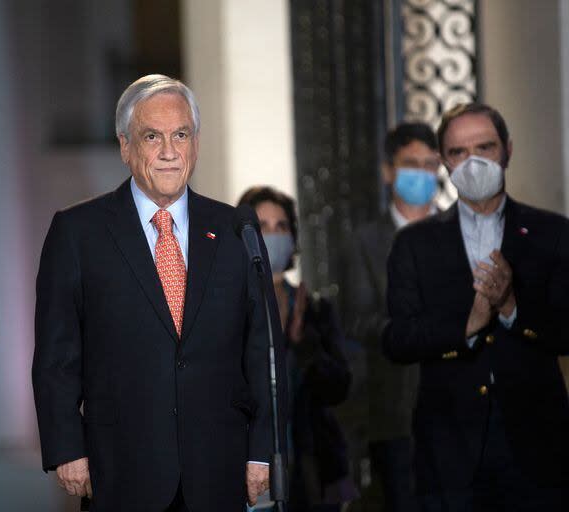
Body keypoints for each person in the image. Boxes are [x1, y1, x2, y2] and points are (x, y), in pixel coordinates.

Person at [33, 74, 286, 511]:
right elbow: (56, 353)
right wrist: (66, 448)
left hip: (218, 467)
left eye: (181, 135)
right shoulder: (78, 232)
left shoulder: (235, 229)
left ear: (196, 142)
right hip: (120, 468)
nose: (169, 151)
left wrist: (262, 450)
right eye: (152, 136)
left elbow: (262, 348)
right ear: (125, 146)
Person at [384, 103, 569, 510]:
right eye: (457, 153)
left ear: (507, 151)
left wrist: (512, 308)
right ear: (444, 163)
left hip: (538, 450)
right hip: (449, 451)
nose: (472, 163)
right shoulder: (414, 244)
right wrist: (465, 326)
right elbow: (397, 339)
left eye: (484, 148)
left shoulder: (552, 233)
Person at [238, 186, 355, 511]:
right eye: (262, 226)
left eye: (281, 226)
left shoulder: (315, 309)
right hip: (246, 467)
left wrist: (303, 343)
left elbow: (339, 387)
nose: (273, 236)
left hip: (308, 467)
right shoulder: (225, 309)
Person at [347, 122, 440, 511]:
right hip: (396, 413)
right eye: (410, 164)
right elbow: (357, 320)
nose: (422, 173)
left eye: (430, 164)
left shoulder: (456, 230)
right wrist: (416, 330)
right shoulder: (364, 241)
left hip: (459, 409)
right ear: (389, 171)